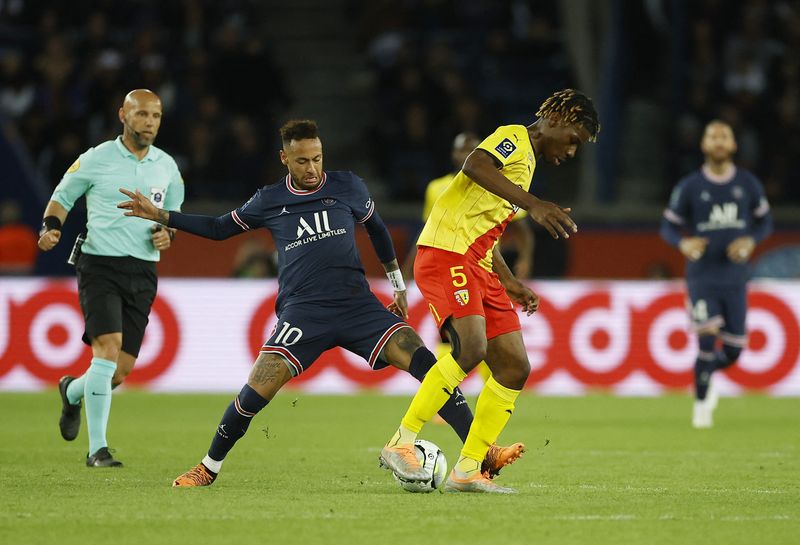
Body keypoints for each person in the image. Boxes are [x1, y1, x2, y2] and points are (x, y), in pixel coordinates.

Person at [117, 119, 523, 487]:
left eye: (317, 158)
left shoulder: (347, 186)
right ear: (284, 158)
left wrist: (397, 283)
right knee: (257, 389)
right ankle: (208, 467)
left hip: (357, 305)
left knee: (426, 364)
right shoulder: (268, 199)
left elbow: (378, 230)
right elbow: (220, 228)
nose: (311, 168)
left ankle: (480, 455)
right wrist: (162, 215)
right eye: (301, 161)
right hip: (303, 311)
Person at [379, 89, 600, 494]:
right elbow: (475, 164)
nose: (571, 152)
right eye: (573, 140)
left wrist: (509, 280)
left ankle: (468, 468)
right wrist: (533, 205)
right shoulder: (515, 137)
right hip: (447, 252)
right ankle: (401, 441)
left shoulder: (528, 165)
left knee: (515, 366)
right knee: (472, 349)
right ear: (557, 119)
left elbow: (486, 226)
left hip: (479, 262)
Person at [38, 89, 184, 467]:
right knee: (106, 349)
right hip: (99, 264)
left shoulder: (167, 166)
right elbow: (62, 196)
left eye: (156, 116)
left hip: (142, 269)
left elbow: (172, 215)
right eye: (142, 115)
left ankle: (71, 392)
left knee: (118, 372)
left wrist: (167, 234)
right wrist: (51, 227)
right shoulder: (96, 158)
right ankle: (97, 450)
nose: (150, 122)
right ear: (123, 114)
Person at [660, 120, 772, 429]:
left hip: (735, 278)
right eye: (713, 136)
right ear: (704, 145)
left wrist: (750, 240)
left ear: (734, 145)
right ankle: (701, 408)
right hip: (702, 276)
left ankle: (708, 376)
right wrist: (684, 242)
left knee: (734, 350)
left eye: (724, 136)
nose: (719, 142)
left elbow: (764, 223)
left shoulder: (748, 184)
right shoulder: (691, 186)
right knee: (707, 339)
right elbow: (668, 226)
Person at [402, 131, 534, 383]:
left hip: (485, 266)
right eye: (463, 150)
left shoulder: (499, 185)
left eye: (472, 150)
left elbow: (520, 228)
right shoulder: (437, 188)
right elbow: (428, 228)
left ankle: (486, 394)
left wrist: (522, 261)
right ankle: (444, 403)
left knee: (485, 341)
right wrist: (408, 267)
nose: (467, 154)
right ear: (454, 155)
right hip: (449, 261)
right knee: (457, 338)